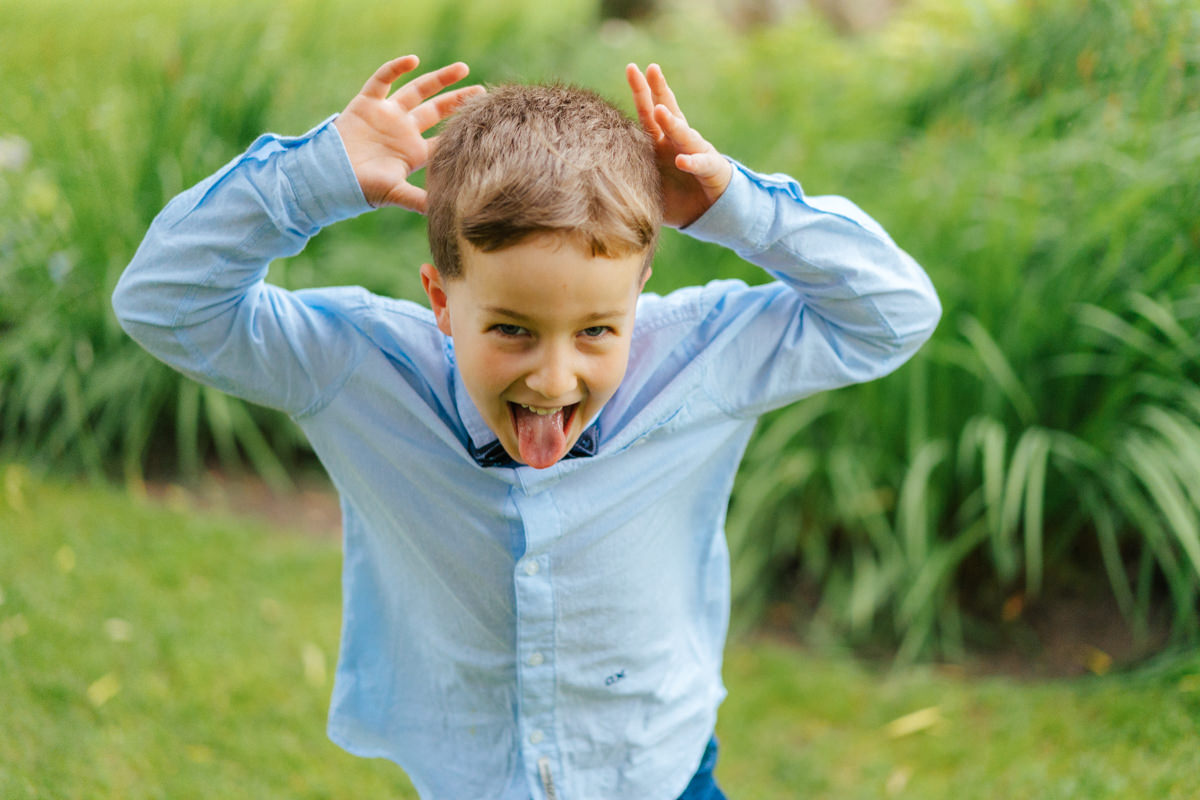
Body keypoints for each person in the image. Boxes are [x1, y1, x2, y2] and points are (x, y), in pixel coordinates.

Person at [113, 55, 940, 800]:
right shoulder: (359, 370)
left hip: (660, 773)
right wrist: (310, 177)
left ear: (640, 289)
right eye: (511, 329)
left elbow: (895, 314)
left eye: (597, 331)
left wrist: (738, 207)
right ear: (442, 299)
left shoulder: (702, 358)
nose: (553, 378)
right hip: (469, 780)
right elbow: (162, 302)